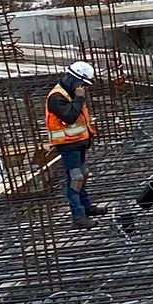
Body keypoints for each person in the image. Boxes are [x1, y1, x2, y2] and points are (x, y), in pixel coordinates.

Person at [44, 60, 96, 224]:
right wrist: (79, 99)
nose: (83, 88)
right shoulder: (56, 97)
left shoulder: (70, 93)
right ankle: (78, 215)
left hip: (79, 142)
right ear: (74, 79)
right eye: (83, 84)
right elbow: (69, 116)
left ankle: (86, 207)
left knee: (83, 174)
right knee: (75, 178)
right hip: (67, 145)